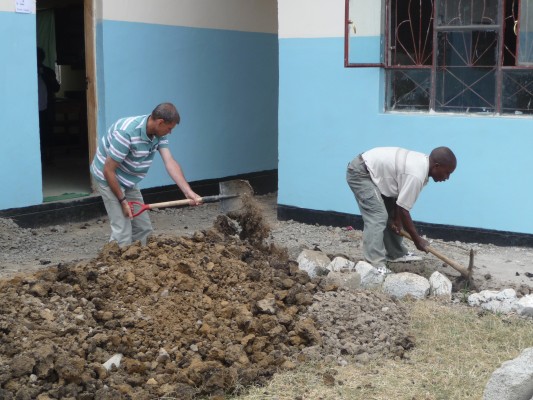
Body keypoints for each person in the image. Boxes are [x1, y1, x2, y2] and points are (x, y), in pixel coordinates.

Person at [90, 102, 202, 246]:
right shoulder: (126, 133)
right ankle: (114, 265)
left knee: (143, 229)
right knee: (122, 232)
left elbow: (170, 162)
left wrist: (188, 192)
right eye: (169, 128)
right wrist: (123, 201)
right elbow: (108, 170)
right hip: (108, 178)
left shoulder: (158, 133)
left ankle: (139, 265)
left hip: (129, 178)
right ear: (160, 122)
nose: (170, 132)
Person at [346, 146, 457, 274]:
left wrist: (397, 221)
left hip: (375, 172)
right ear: (436, 166)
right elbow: (404, 210)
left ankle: (396, 253)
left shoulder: (423, 165)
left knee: (392, 214)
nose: (447, 178)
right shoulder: (416, 175)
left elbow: (400, 203)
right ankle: (374, 264)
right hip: (361, 173)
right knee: (378, 216)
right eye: (447, 172)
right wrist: (417, 240)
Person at [37, 47, 60, 161]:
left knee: (48, 131)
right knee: (38, 132)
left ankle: (49, 156)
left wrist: (45, 76)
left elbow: (56, 88)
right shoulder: (27, 73)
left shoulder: (48, 71)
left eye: (39, 58)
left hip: (47, 107)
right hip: (34, 110)